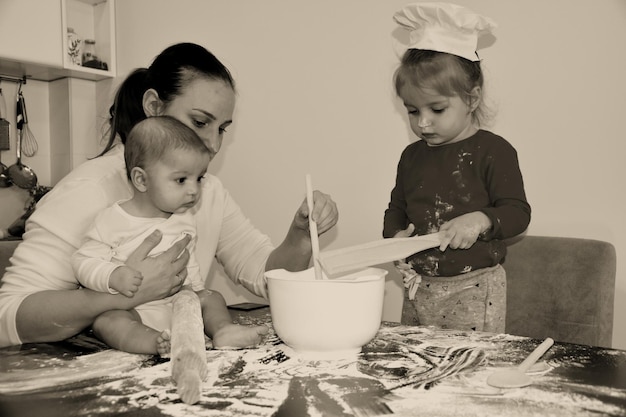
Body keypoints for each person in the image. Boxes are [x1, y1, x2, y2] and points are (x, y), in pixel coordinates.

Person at [0, 42, 338, 348]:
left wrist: (300, 235)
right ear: (153, 106)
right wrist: (120, 295)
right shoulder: (87, 191)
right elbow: (9, 317)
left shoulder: (208, 192)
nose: (214, 144)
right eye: (200, 121)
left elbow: (268, 280)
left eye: (221, 128)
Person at [384, 3, 531, 333]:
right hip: (419, 285)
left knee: (468, 367)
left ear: (473, 98)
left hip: (475, 288)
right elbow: (396, 210)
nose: (423, 122)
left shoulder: (493, 151)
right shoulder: (411, 157)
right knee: (421, 363)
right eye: (412, 110)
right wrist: (394, 237)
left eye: (436, 109)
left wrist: (481, 219)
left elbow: (518, 213)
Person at [72, 116, 267, 355]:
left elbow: (188, 261)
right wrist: (113, 276)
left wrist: (194, 290)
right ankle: (154, 342)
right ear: (141, 179)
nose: (194, 190)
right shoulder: (112, 220)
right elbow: (82, 262)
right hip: (133, 309)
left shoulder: (183, 218)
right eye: (181, 180)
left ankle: (223, 330)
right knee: (108, 322)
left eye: (199, 179)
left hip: (177, 304)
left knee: (212, 297)